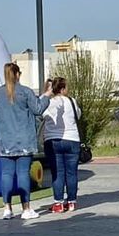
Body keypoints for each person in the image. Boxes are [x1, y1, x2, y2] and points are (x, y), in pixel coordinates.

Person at [0, 62, 48, 219]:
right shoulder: (25, 91)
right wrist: (47, 96)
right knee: (23, 172)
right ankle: (26, 208)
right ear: (17, 75)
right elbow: (38, 109)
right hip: (24, 139)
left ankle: (7, 208)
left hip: (5, 140)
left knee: (6, 174)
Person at [41, 76, 83, 214]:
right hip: (72, 139)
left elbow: (40, 112)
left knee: (57, 173)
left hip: (52, 140)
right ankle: (71, 202)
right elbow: (78, 115)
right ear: (63, 88)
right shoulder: (72, 101)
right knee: (71, 173)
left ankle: (58, 203)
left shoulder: (49, 102)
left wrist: (45, 93)